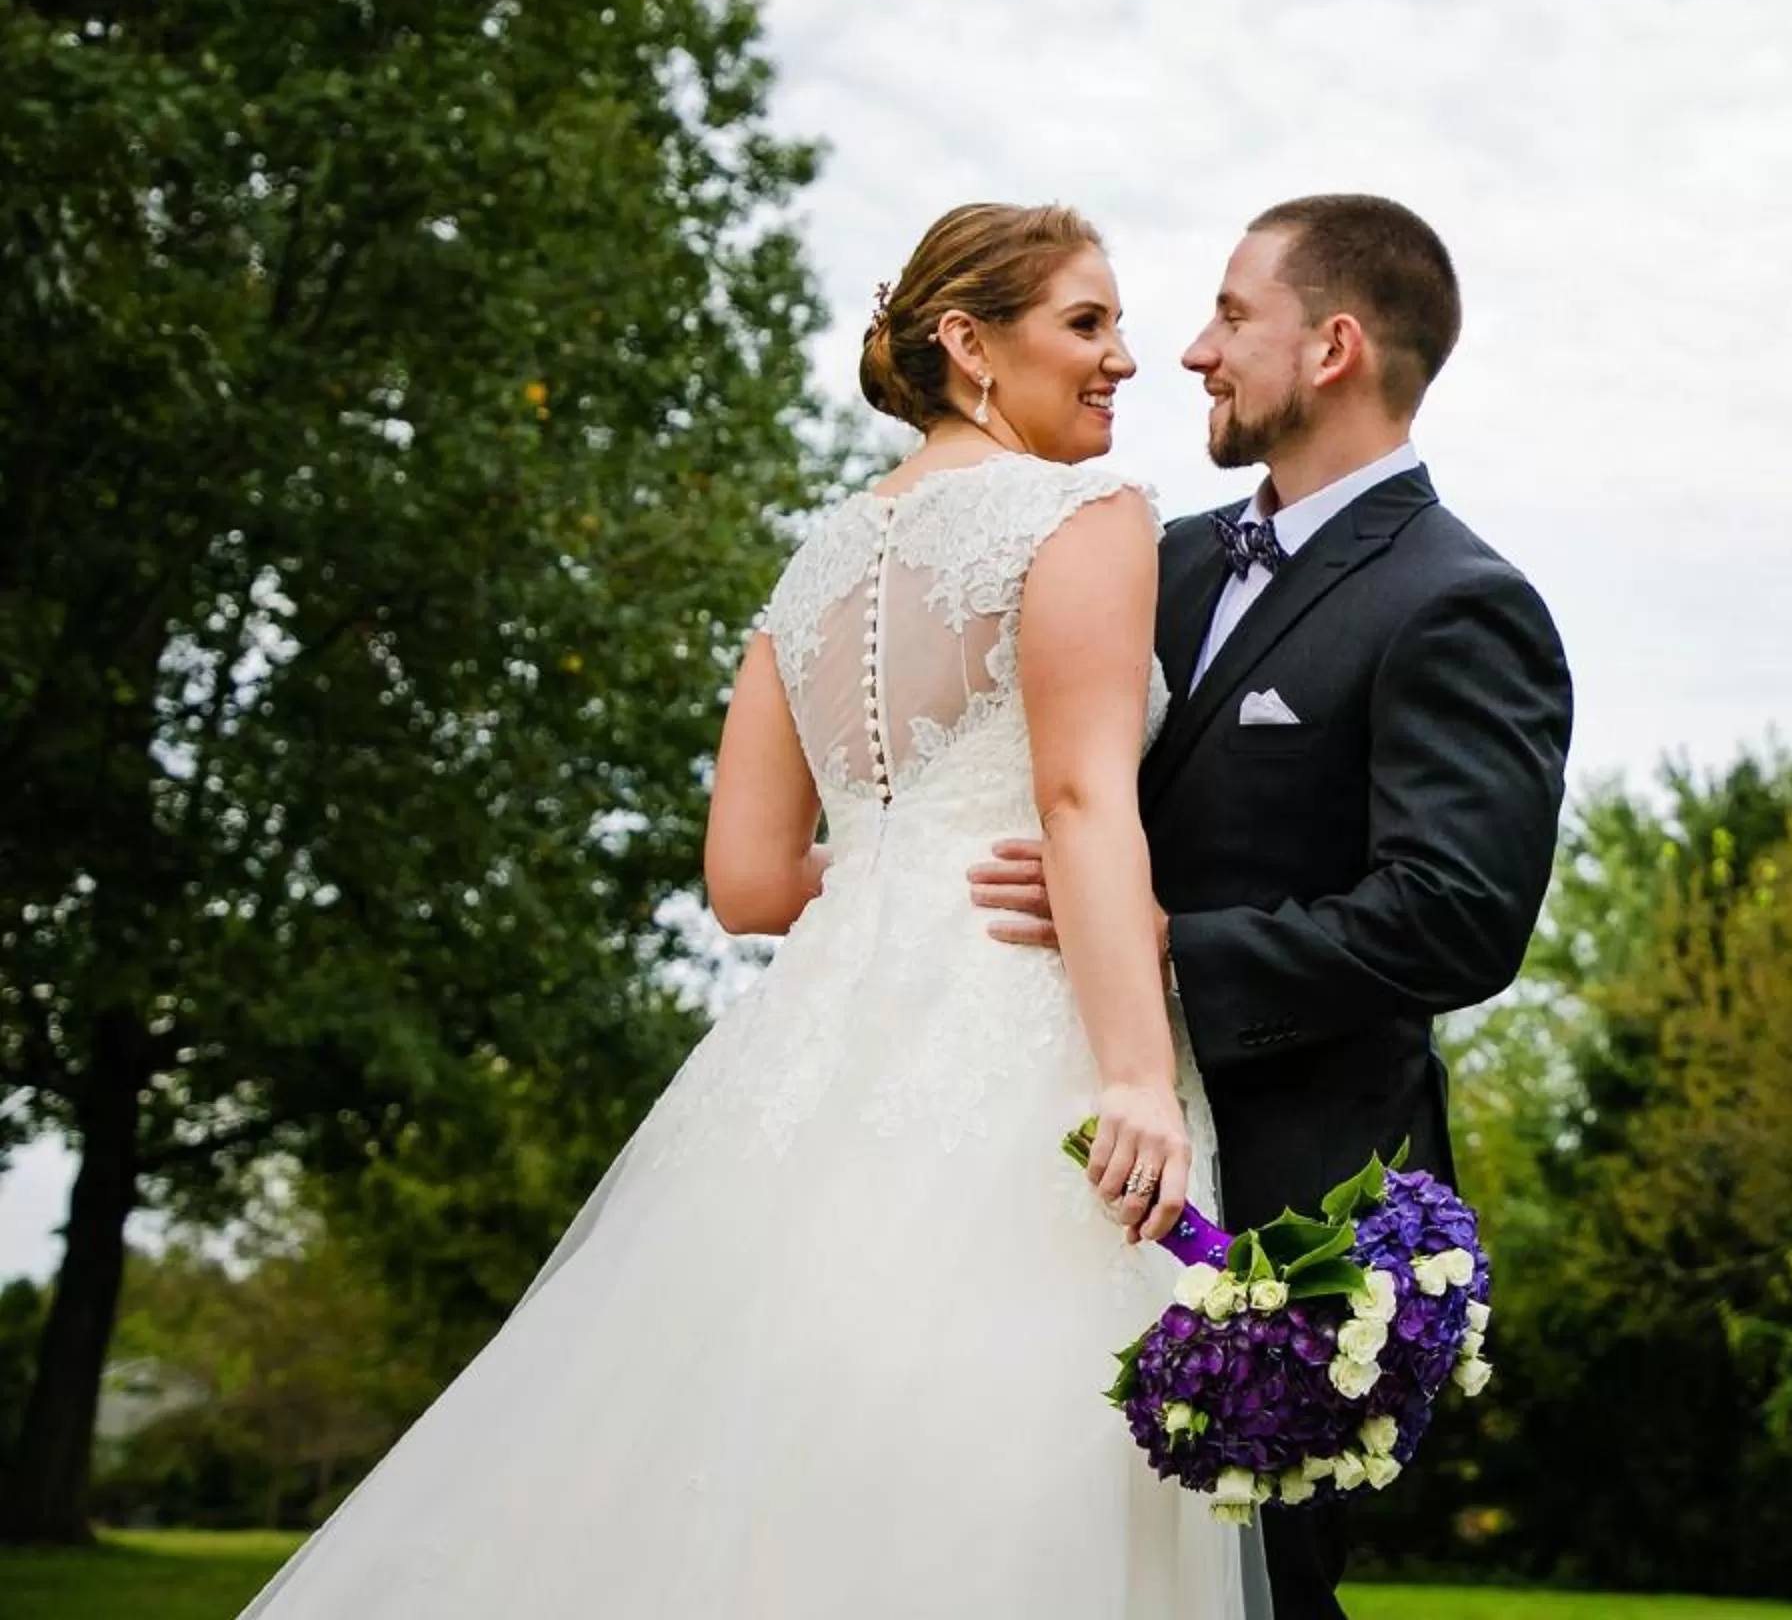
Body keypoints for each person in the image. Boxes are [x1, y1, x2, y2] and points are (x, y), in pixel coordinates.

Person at [240, 204, 1246, 1619]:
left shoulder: (815, 565)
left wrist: (897, 876)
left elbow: (748, 882)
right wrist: (1137, 1074)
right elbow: (1085, 804)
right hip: (1020, 1035)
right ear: (971, 341)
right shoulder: (1086, 516)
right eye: (1087, 323)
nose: (1125, 360)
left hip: (809, 1050)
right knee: (992, 1470)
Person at [968, 194, 1574, 1620]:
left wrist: (1164, 950)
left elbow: (1455, 918)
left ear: (1335, 349)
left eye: (1233, 316)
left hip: (1283, 1207)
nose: (1188, 351)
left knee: (1249, 1589)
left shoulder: (1459, 603)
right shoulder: (1147, 559)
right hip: (1057, 1160)